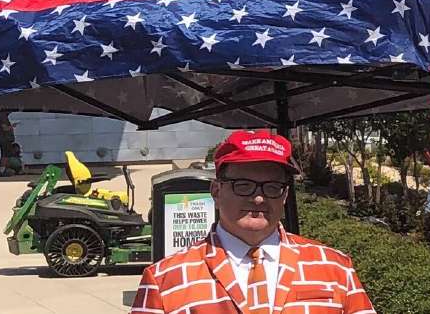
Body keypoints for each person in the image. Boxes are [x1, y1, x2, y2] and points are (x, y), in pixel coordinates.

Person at [130, 129, 376, 314]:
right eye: (243, 185)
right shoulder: (164, 279)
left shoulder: (335, 268)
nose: (258, 198)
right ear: (216, 192)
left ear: (285, 195)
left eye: (272, 187)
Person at [0, 110, 18, 176]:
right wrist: (12, 126)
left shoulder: (2, 116)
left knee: (5, 155)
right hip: (5, 139)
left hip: (4, 139)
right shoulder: (2, 116)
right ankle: (2, 171)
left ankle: (3, 170)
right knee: (5, 155)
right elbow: (5, 128)